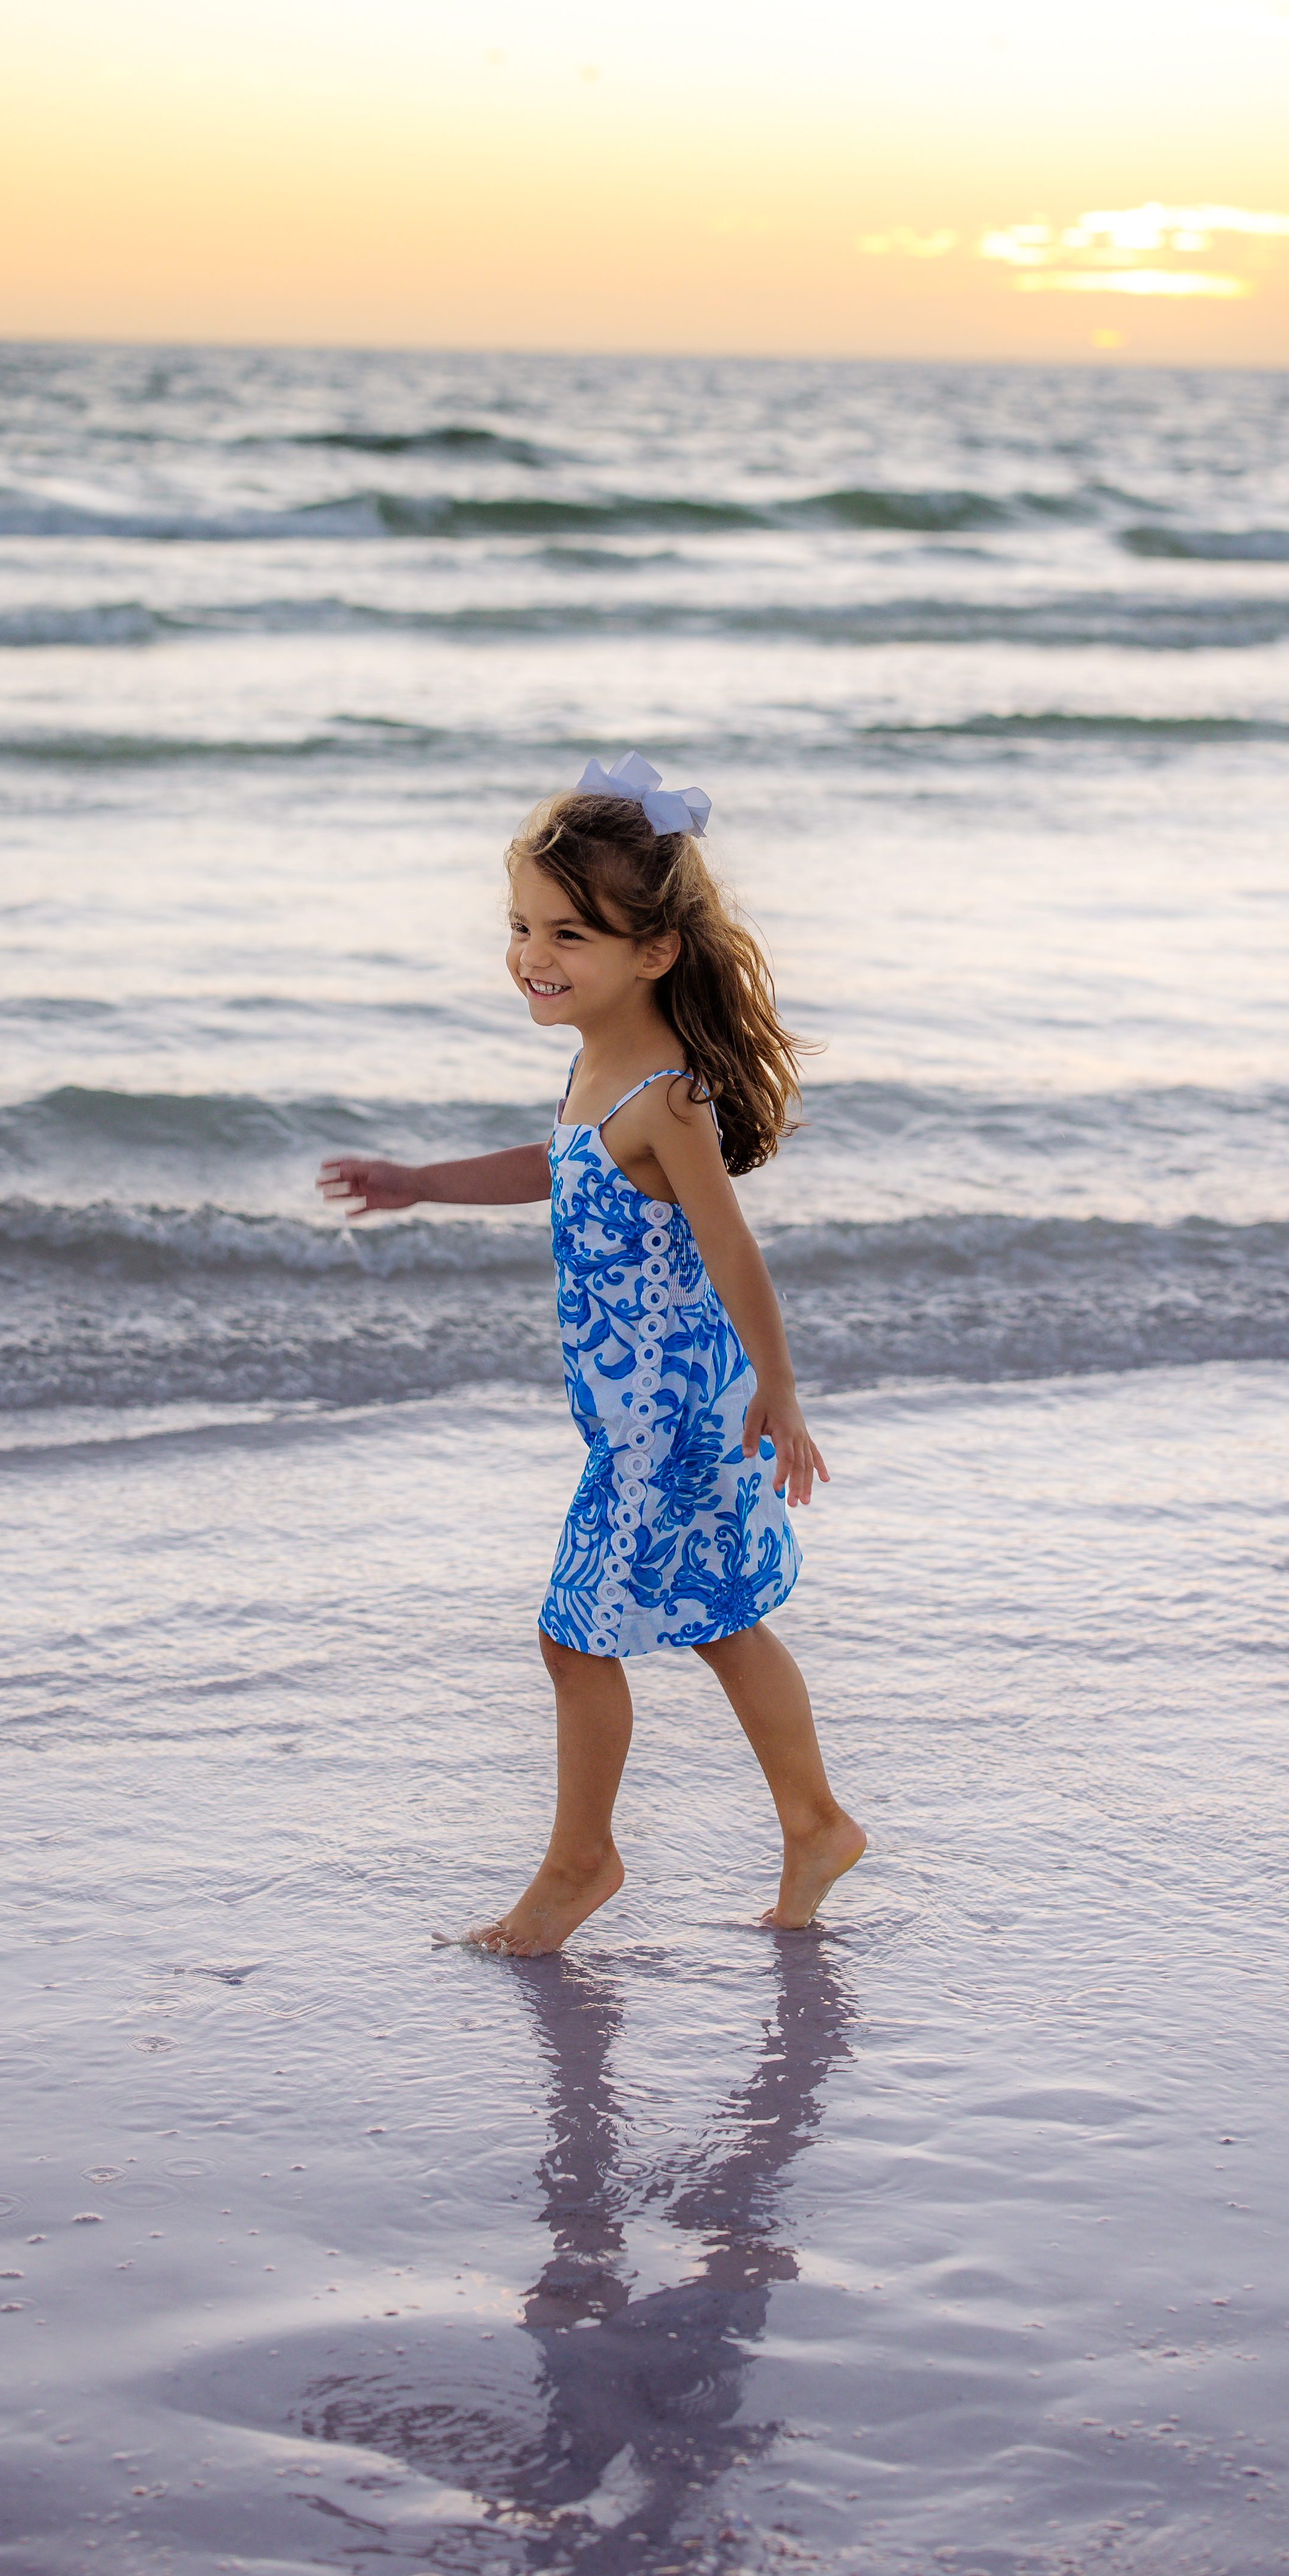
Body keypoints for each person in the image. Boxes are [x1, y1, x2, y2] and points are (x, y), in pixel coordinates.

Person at [318, 750, 865, 1953]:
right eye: (521, 927)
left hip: (667, 1421)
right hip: (657, 1409)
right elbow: (559, 1167)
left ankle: (580, 1866)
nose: (532, 957)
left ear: (652, 951)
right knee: (720, 1613)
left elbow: (735, 1255)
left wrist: (782, 1394)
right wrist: (421, 1184)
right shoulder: (602, 1063)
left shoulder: (666, 1093)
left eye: (568, 934)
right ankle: (816, 1823)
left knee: (574, 1638)